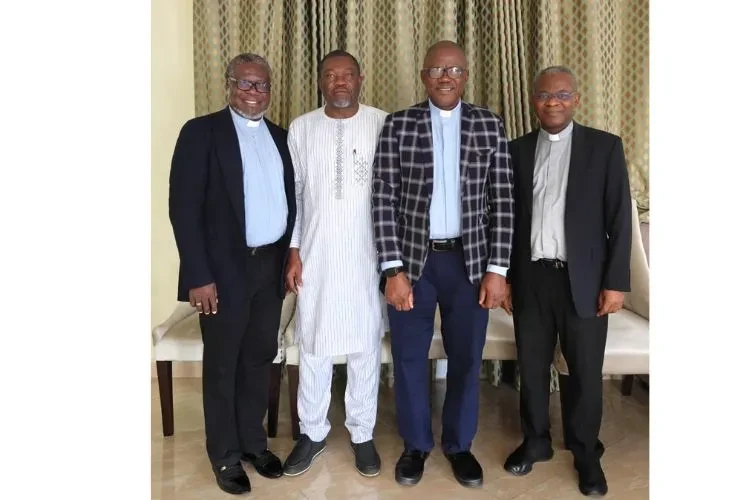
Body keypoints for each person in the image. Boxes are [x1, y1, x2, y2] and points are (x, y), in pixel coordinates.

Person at [372, 40, 515, 488]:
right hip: (414, 263)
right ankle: (416, 446)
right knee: (410, 357)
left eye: (454, 69)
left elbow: (504, 200)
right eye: (437, 69)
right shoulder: (399, 125)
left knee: (466, 358)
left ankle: (459, 446)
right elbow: (383, 198)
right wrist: (392, 269)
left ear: (465, 75)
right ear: (424, 75)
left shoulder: (489, 125)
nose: (445, 76)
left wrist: (499, 269)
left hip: (470, 264)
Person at [501, 65, 632, 497]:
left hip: (586, 282)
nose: (552, 102)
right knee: (533, 368)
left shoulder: (604, 148)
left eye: (561, 95)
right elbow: (506, 219)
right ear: (533, 100)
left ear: (575, 99)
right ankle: (535, 441)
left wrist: (615, 283)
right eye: (543, 95)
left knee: (585, 373)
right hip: (531, 278)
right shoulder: (516, 150)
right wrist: (503, 277)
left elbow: (619, 220)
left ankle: (584, 452)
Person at [168, 52, 295, 495]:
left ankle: (253, 444)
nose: (254, 92)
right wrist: (198, 276)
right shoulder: (201, 132)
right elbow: (183, 210)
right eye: (245, 83)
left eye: (262, 85)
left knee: (258, 359)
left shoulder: (281, 138)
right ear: (229, 84)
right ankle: (224, 457)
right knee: (223, 365)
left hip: (269, 265)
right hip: (221, 273)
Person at [282, 49, 388, 478]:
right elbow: (297, 197)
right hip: (316, 254)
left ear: (361, 78)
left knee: (365, 345)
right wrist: (293, 250)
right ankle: (312, 432)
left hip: (368, 255)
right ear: (321, 81)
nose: (340, 81)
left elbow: (391, 194)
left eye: (347, 74)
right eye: (331, 75)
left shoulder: (383, 123)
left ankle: (362, 433)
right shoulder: (302, 128)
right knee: (313, 343)